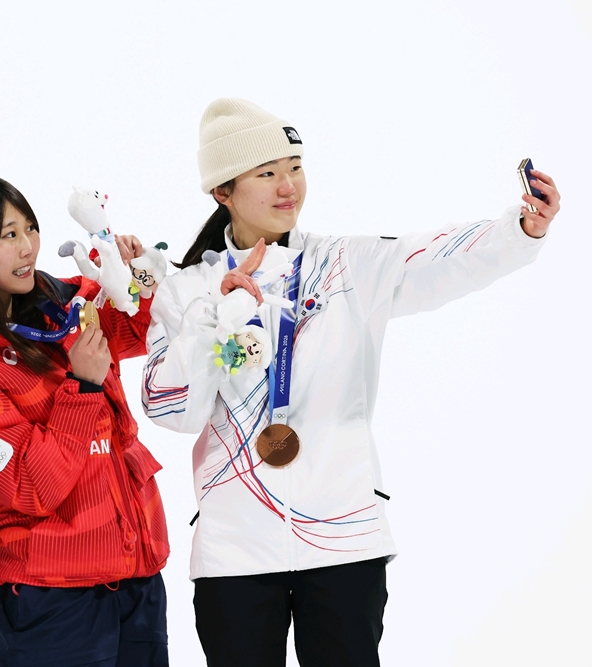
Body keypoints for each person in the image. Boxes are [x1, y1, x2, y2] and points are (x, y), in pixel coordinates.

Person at [141, 98, 560, 667]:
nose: (288, 185)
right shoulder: (188, 290)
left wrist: (519, 229)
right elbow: (170, 409)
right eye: (267, 173)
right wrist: (217, 317)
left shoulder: (345, 266)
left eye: (294, 167)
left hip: (343, 538)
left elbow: (433, 256)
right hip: (235, 548)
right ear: (223, 191)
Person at [0, 175, 170, 667]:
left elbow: (130, 323)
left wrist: (136, 274)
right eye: (8, 235)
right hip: (50, 598)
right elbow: (30, 483)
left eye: (30, 228)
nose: (28, 247)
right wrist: (84, 387)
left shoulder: (52, 303)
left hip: (133, 576)